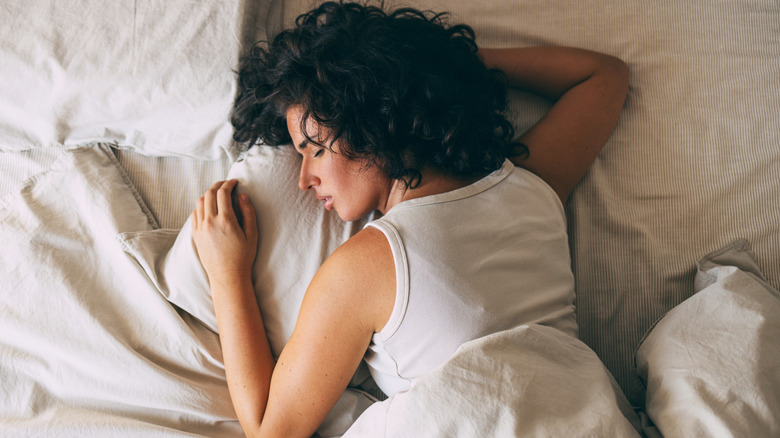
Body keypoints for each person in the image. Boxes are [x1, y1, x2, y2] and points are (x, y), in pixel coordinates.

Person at [191, 1, 629, 436]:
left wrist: (227, 274)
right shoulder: (531, 182)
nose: (305, 179)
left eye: (317, 150)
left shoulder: (366, 265)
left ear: (378, 118)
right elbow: (603, 76)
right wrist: (436, 67)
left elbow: (271, 430)